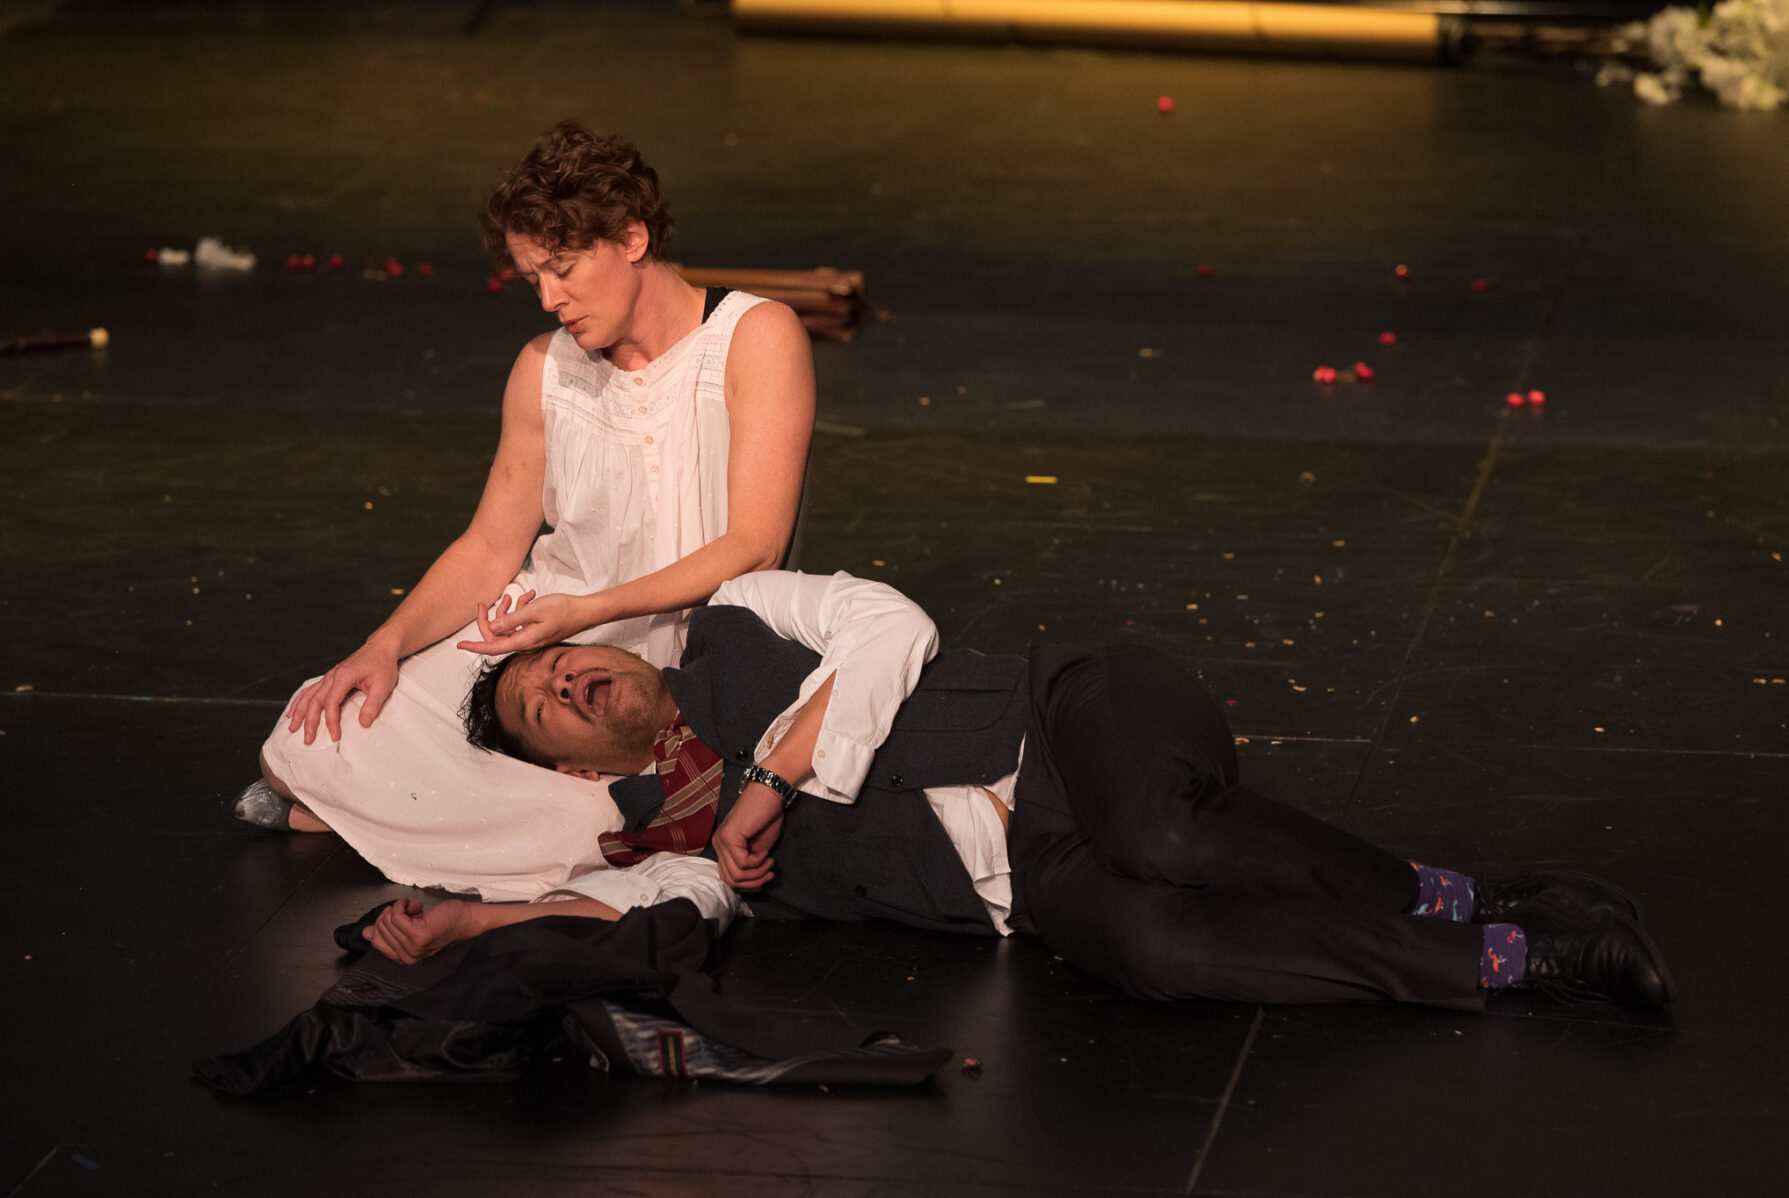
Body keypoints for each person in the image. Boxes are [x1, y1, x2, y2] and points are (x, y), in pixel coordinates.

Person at [358, 570, 1677, 1011]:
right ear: (577, 766)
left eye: (566, 661)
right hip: (1020, 887)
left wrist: (771, 770)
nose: (570, 683)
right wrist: (464, 924)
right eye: (545, 707)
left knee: (1158, 829)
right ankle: (1516, 956)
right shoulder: (673, 843)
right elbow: (646, 925)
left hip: (1073, 714)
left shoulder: (740, 619)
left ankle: (1450, 891)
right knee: (1155, 942)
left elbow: (892, 629)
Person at [238, 122, 815, 902]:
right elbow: (489, 544)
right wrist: (384, 645)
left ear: (634, 238)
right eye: (531, 278)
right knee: (314, 732)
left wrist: (586, 609)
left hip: (688, 660)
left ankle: (420, 819)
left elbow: (755, 545)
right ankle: (466, 816)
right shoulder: (544, 369)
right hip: (544, 643)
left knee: (608, 816)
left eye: (562, 268)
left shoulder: (756, 336)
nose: (550, 298)